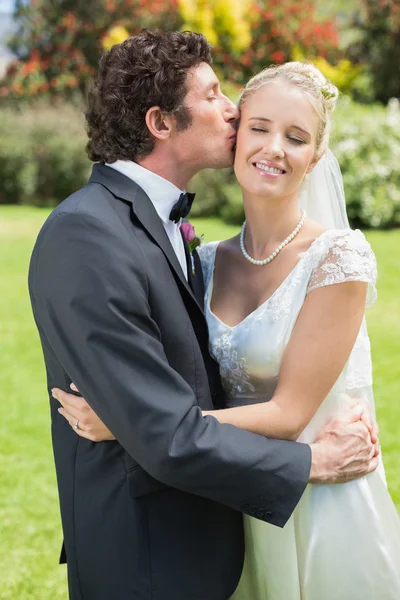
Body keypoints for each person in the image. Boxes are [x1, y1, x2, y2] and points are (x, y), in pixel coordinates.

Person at [31, 31, 378, 600]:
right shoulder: (88, 233)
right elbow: (164, 431)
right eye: (214, 94)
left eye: (294, 136)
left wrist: (127, 423)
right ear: (162, 123)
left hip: (234, 524)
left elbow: (179, 402)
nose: (233, 111)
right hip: (147, 555)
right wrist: (309, 461)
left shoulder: (184, 241)